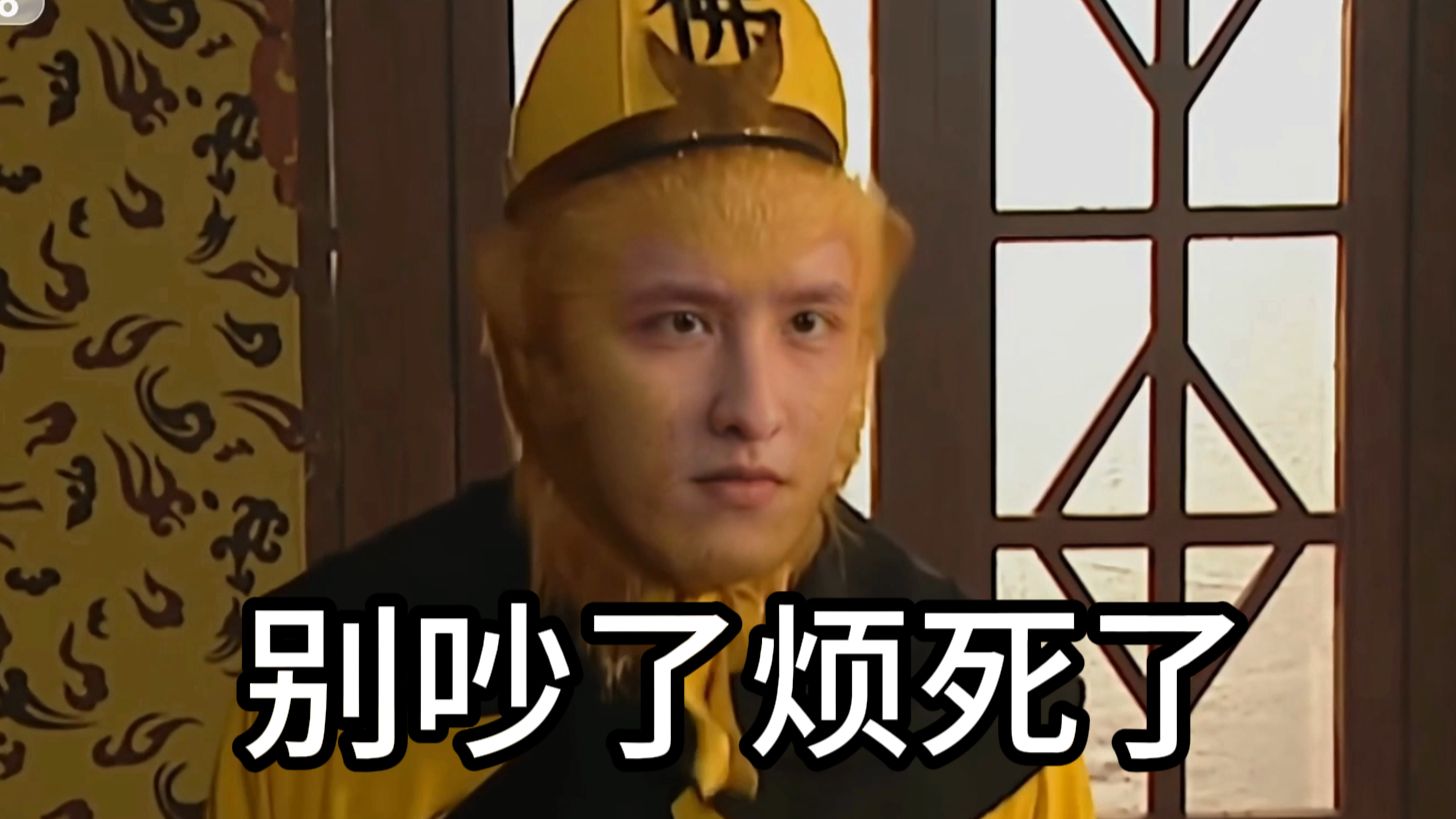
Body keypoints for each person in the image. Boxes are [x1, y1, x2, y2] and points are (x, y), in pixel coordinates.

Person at [206, 0, 1097, 816]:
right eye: (679, 322)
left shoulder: (991, 730)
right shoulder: (335, 698)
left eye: (806, 321)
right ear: (537, 345)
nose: (752, 409)